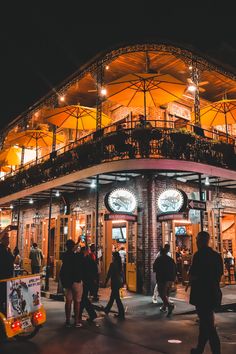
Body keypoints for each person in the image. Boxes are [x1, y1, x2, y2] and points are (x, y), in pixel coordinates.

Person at [188, 231, 223, 354]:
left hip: (202, 294)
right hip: (213, 292)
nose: (196, 241)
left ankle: (216, 351)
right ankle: (199, 349)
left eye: (197, 239)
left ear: (201, 241)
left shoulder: (199, 255)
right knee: (205, 323)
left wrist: (194, 279)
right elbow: (220, 274)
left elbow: (193, 274)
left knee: (208, 326)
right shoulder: (216, 255)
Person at [59, 239, 84, 328]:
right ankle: (76, 321)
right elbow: (84, 254)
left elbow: (70, 251)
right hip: (76, 280)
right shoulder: (77, 256)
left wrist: (76, 243)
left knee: (68, 301)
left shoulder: (65, 255)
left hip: (67, 281)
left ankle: (68, 320)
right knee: (77, 302)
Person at [153, 246, 176, 316]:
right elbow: (175, 268)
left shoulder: (158, 259)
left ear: (161, 252)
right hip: (170, 278)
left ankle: (169, 306)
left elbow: (154, 269)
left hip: (162, 278)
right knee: (167, 293)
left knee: (162, 293)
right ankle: (164, 307)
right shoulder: (171, 259)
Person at [103, 251, 125, 319]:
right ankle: (107, 309)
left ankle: (121, 313)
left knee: (117, 299)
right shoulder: (120, 264)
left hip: (115, 283)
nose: (112, 257)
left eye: (112, 256)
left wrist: (105, 282)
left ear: (114, 257)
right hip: (119, 282)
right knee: (113, 297)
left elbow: (109, 274)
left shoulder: (112, 264)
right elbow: (122, 274)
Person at [79, 246, 97, 322]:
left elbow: (81, 271)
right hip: (89, 281)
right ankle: (79, 313)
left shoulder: (84, 260)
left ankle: (92, 314)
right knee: (83, 297)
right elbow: (95, 270)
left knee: (83, 297)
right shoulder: (91, 260)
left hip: (85, 281)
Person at [0, 226, 14, 313]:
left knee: (8, 297)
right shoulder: (0, 248)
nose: (8, 240)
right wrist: (4, 230)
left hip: (8, 277)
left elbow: (11, 260)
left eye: (8, 238)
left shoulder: (8, 250)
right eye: (6, 238)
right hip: (1, 278)